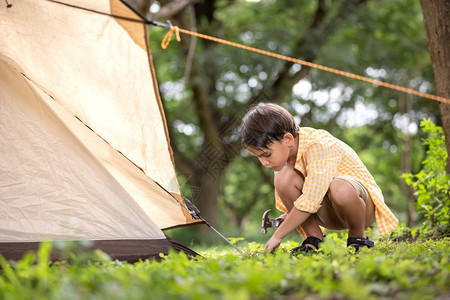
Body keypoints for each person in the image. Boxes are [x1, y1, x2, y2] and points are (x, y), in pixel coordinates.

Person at [240, 102, 398, 253]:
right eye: (258, 157)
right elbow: (310, 198)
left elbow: (311, 199)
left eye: (266, 154)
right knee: (284, 177)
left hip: (361, 207)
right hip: (327, 212)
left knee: (339, 186)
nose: (264, 162)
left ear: (288, 139)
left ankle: (357, 238)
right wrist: (289, 218)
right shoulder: (282, 159)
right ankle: (314, 239)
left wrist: (278, 235)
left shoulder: (319, 145)